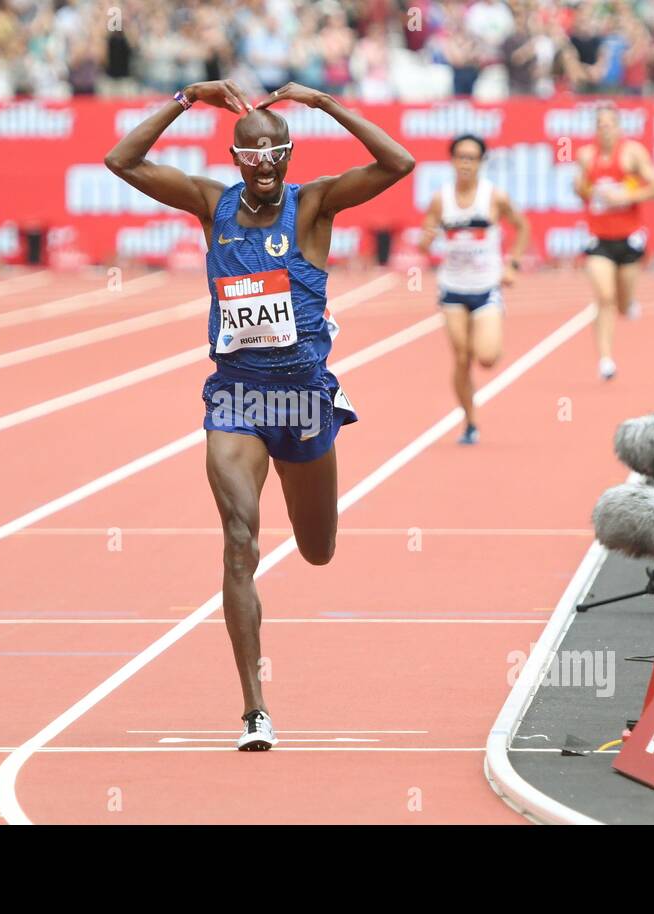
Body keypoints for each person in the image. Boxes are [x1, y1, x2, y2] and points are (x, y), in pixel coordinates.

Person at [105, 80, 414, 751]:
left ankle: (330, 411)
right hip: (237, 399)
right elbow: (121, 162)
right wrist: (186, 98)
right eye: (255, 158)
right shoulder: (210, 204)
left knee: (317, 550)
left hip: (303, 400)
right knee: (240, 539)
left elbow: (399, 165)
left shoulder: (314, 206)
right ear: (238, 159)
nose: (268, 169)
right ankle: (254, 710)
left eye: (278, 156)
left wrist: (327, 106)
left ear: (291, 157)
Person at [418, 134, 529, 444]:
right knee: (462, 357)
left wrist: (513, 265)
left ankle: (490, 338)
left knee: (488, 357)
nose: (465, 163)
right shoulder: (442, 199)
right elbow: (425, 237)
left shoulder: (494, 197)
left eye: (472, 158)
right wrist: (426, 240)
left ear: (481, 162)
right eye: (460, 157)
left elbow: (522, 227)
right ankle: (470, 421)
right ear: (452, 161)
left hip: (486, 287)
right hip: (452, 288)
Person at [574, 104, 654, 380]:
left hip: (628, 237)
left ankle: (628, 303)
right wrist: (589, 190)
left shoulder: (632, 154)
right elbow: (581, 191)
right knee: (604, 298)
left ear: (619, 127)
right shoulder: (586, 156)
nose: (605, 129)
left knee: (622, 304)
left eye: (610, 124)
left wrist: (625, 196)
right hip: (599, 237)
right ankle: (605, 359)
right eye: (600, 125)